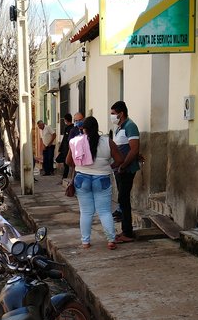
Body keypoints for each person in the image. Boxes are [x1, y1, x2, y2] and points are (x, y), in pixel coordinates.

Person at [66, 116, 124, 250]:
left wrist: (81, 165)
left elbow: (69, 161)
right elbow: (120, 159)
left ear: (83, 129)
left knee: (86, 212)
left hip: (82, 179)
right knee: (104, 211)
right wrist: (107, 167)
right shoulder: (107, 141)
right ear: (97, 128)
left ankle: (85, 242)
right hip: (102, 179)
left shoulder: (76, 141)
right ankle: (110, 240)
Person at [110, 100, 140, 242]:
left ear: (121, 113)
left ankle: (127, 233)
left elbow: (134, 149)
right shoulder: (119, 127)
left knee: (124, 199)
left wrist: (123, 165)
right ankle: (125, 231)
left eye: (113, 114)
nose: (112, 116)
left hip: (126, 170)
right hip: (119, 169)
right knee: (122, 199)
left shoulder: (130, 126)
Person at [55, 114, 73, 179]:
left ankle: (64, 177)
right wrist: (60, 148)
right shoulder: (66, 128)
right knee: (59, 160)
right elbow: (64, 139)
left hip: (69, 148)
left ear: (66, 120)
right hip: (65, 148)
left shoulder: (72, 128)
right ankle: (64, 177)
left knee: (67, 164)